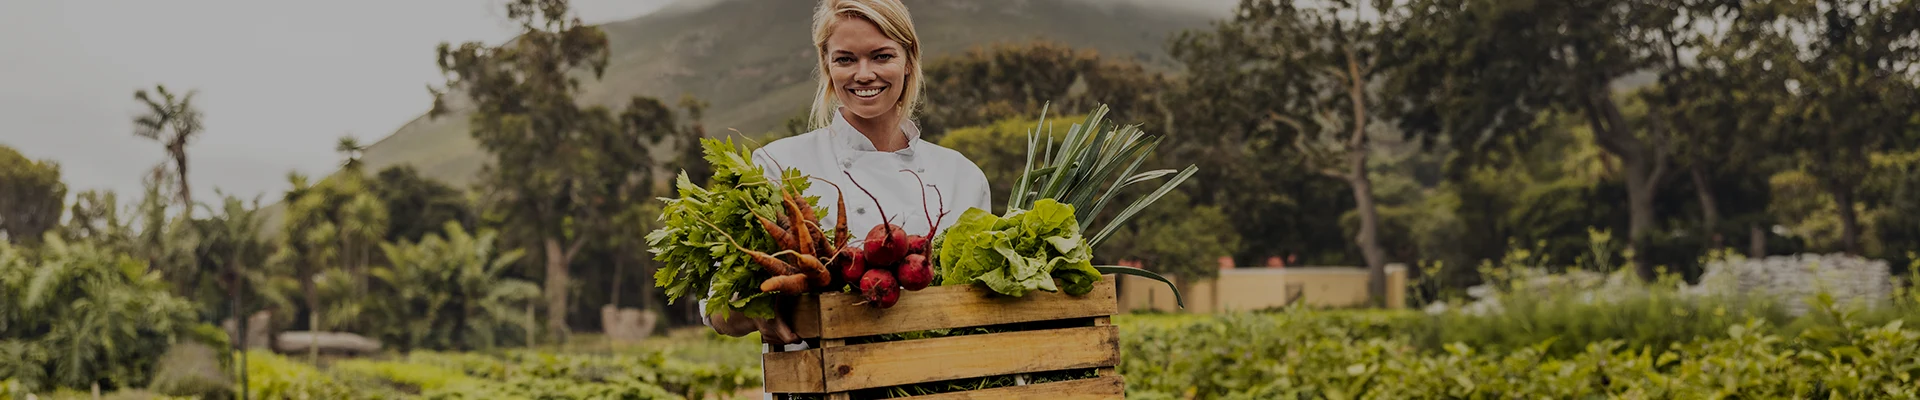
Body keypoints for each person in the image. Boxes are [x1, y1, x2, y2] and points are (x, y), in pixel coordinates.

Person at [697, 0, 991, 395]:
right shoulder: (778, 164)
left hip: (939, 385)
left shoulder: (961, 175)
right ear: (827, 65)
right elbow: (715, 304)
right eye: (846, 59)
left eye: (882, 56)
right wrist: (753, 312)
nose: (863, 73)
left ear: (908, 60)